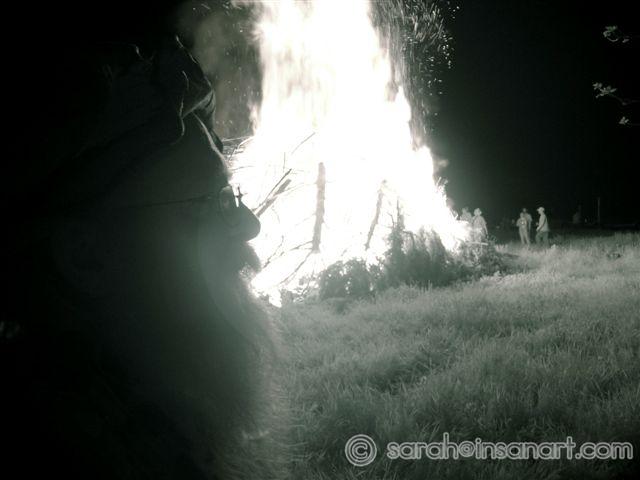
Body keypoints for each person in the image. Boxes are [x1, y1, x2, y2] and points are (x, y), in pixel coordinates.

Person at [4, 38, 284, 479]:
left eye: (230, 196)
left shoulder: (152, 419)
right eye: (209, 203)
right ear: (86, 257)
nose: (250, 226)